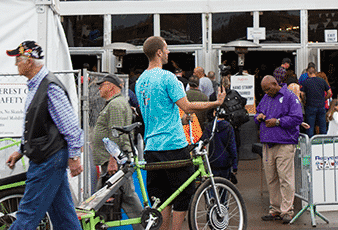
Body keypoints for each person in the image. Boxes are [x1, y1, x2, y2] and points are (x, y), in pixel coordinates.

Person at [136, 36, 224, 230]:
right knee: (184, 193)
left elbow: (158, 113)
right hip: (173, 145)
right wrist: (215, 103)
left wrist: (180, 119)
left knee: (161, 197)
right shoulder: (168, 77)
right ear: (159, 52)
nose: (168, 52)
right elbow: (187, 106)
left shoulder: (140, 81)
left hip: (152, 148)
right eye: (166, 49)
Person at [1, 41, 83, 230]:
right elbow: (35, 125)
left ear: (29, 61)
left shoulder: (49, 87)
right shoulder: (37, 85)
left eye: (18, 60)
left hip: (48, 159)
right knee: (64, 216)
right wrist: (21, 150)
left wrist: (74, 156)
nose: (16, 64)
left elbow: (70, 126)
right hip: (49, 157)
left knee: (28, 214)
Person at [92, 75, 142, 219]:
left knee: (127, 197)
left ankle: (146, 226)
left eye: (102, 85)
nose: (99, 88)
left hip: (114, 162)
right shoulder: (115, 103)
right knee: (126, 197)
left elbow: (117, 134)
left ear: (111, 87)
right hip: (112, 160)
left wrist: (113, 160)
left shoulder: (115, 105)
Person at [255, 75, 302, 223]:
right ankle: (275, 209)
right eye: (264, 90)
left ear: (276, 84)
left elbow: (297, 118)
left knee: (285, 178)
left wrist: (278, 122)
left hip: (284, 143)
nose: (266, 92)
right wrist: (259, 116)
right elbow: (258, 111)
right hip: (268, 143)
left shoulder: (289, 96)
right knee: (272, 178)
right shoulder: (267, 98)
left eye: (268, 89)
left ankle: (287, 210)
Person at [300, 63, 332, 136]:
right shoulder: (322, 81)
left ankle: (310, 144)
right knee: (322, 126)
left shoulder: (306, 82)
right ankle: (323, 143)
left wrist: (304, 101)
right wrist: (325, 99)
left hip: (310, 106)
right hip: (321, 106)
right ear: (315, 72)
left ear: (308, 72)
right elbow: (329, 92)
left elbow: (302, 94)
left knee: (310, 127)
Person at [208, 111, 238, 182]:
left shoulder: (209, 126)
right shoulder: (229, 127)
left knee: (212, 186)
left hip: (212, 162)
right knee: (224, 186)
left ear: (214, 113)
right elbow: (232, 147)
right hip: (226, 162)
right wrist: (234, 166)